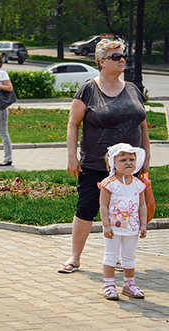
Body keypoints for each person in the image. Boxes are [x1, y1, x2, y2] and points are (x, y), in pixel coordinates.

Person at [57, 38, 150, 273]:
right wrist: (71, 156)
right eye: (116, 57)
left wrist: (146, 158)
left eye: (123, 56)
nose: (122, 60)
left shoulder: (133, 89)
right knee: (86, 207)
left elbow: (143, 127)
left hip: (129, 167)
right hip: (96, 162)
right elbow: (72, 124)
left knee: (125, 210)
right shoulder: (89, 89)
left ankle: (119, 258)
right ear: (101, 62)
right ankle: (74, 257)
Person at [99, 143, 147, 300]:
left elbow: (142, 205)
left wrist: (143, 224)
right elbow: (104, 206)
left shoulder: (138, 184)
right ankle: (109, 285)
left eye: (132, 159)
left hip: (132, 228)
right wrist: (106, 225)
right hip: (113, 228)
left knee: (129, 256)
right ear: (113, 162)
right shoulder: (109, 183)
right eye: (123, 159)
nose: (128, 163)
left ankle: (129, 284)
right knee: (111, 256)